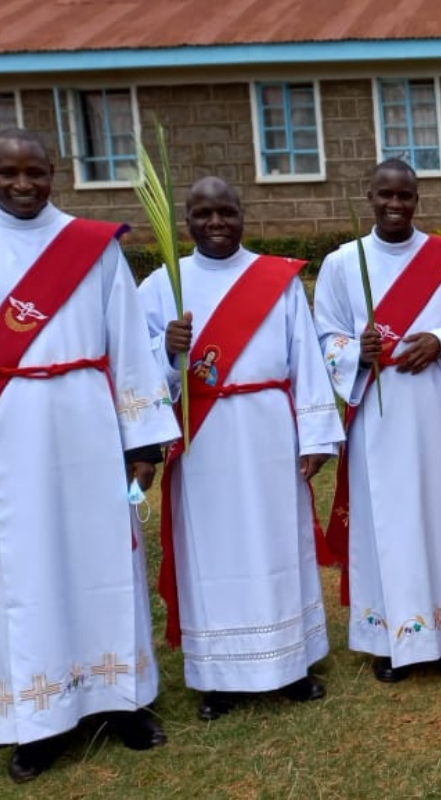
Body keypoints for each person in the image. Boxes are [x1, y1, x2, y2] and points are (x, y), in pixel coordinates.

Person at [0, 129, 178, 782]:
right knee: (25, 574)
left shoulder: (94, 248)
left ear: (55, 172)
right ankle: (37, 719)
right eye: (6, 173)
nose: (22, 185)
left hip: (89, 422)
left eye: (34, 172)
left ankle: (121, 700)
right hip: (11, 431)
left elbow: (129, 343)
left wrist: (142, 442)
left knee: (105, 554)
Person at [138, 177, 344, 721]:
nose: (215, 222)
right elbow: (135, 365)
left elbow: (306, 358)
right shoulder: (165, 283)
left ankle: (292, 664)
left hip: (269, 428)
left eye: (225, 211)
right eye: (203, 213)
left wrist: (316, 435)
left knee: (280, 543)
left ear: (241, 215)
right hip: (203, 439)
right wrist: (166, 349)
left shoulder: (276, 280)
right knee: (212, 552)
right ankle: (218, 675)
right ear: (186, 220)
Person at [313, 159, 441, 683]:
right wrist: (356, 349)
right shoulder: (343, 264)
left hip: (438, 406)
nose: (396, 205)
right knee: (386, 522)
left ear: (418, 199)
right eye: (386, 195)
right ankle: (391, 637)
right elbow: (322, 336)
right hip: (379, 409)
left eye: (406, 196)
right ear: (368, 196)